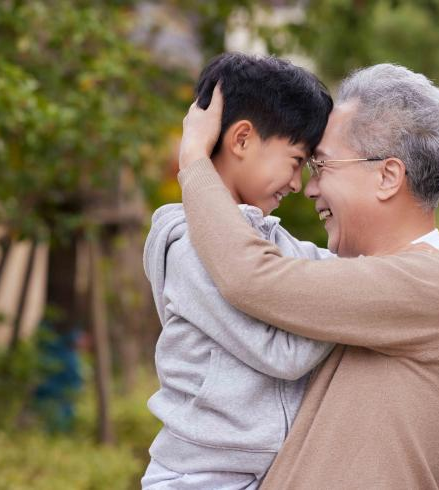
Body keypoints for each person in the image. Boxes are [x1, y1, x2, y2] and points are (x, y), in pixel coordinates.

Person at [177, 63, 439, 489]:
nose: (308, 188)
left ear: (387, 176)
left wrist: (196, 161)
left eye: (322, 166)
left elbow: (253, 278)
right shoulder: (365, 283)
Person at [141, 53, 335, 489]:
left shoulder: (272, 238)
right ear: (243, 139)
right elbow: (282, 355)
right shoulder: (191, 244)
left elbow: (337, 271)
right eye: (296, 161)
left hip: (255, 475)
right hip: (198, 478)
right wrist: (351, 308)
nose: (299, 185)